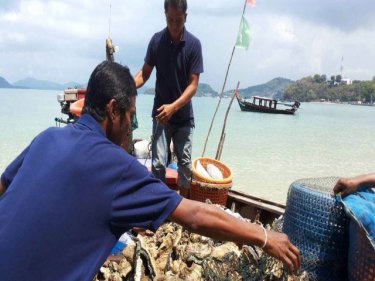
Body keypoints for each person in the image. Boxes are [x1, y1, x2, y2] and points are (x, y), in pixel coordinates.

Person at [0, 61, 300, 280]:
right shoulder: (117, 167)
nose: (130, 130)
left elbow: (3, 187)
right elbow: (195, 216)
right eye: (130, 118)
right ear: (113, 110)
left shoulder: (47, 137)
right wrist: (264, 237)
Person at [134, 0, 203, 198]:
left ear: (186, 17)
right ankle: (159, 206)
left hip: (183, 118)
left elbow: (193, 85)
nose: (174, 25)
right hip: (160, 115)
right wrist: (128, 85)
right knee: (157, 165)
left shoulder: (193, 45)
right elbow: (144, 73)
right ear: (165, 15)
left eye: (178, 20)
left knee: (185, 167)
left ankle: (183, 209)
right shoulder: (157, 41)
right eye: (170, 20)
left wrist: (173, 107)